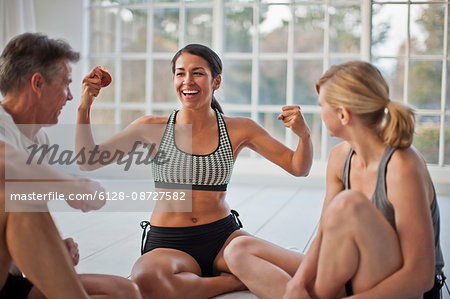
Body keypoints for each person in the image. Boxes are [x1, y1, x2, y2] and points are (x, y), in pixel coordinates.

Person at [76, 43, 314, 298]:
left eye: (198, 73)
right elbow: (88, 161)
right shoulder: (150, 127)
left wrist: (304, 136)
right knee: (146, 279)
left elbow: (298, 167)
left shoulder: (240, 128)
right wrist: (84, 106)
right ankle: (235, 281)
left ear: (216, 81)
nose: (187, 81)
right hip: (169, 243)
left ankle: (233, 272)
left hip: (224, 239)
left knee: (310, 271)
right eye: (180, 73)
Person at [223, 61, 446, 298]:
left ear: (342, 114)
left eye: (322, 106)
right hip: (350, 271)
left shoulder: (402, 165)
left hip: (402, 288)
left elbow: (419, 276)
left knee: (349, 204)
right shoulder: (340, 157)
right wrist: (296, 285)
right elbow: (324, 235)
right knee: (237, 249)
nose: (320, 113)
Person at [0, 32, 142, 299]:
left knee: (125, 291)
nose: (68, 96)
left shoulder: (38, 139)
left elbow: (34, 212)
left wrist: (54, 246)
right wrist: (72, 185)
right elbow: (5, 162)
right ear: (38, 83)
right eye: (66, 84)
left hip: (14, 279)